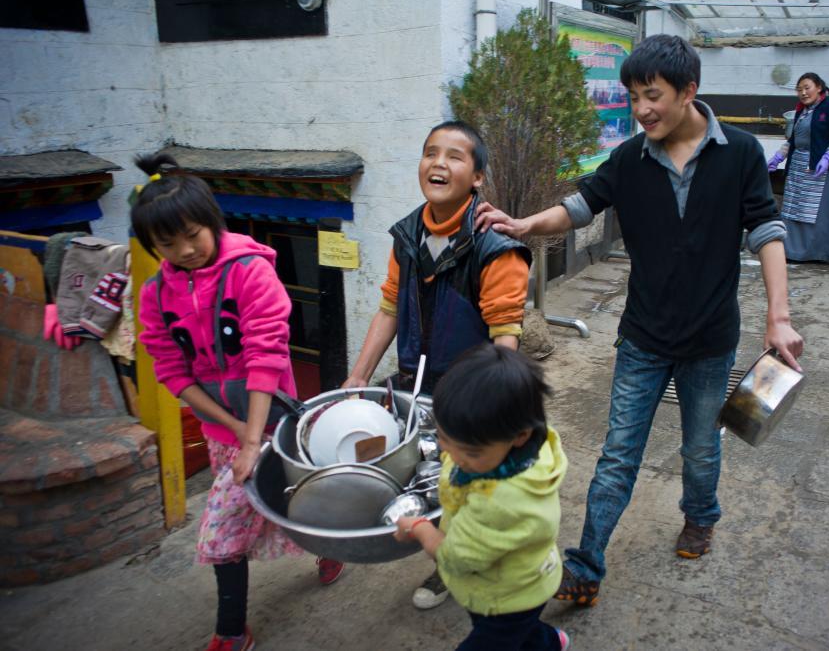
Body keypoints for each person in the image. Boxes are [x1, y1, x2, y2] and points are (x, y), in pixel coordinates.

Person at [475, 34, 804, 606]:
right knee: (618, 453)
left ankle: (700, 515)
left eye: (652, 95)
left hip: (710, 340)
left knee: (700, 447)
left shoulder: (741, 152)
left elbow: (767, 231)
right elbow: (580, 206)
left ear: (688, 91)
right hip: (643, 338)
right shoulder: (631, 159)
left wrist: (779, 317)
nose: (641, 109)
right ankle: (586, 565)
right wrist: (526, 225)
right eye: (633, 97)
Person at [131, 153, 344, 651]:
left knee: (227, 525)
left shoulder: (250, 272)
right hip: (221, 430)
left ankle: (232, 631)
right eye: (167, 244)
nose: (185, 251)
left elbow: (266, 356)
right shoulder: (155, 296)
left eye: (192, 235)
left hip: (271, 423)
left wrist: (251, 440)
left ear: (213, 221)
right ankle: (243, 621)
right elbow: (173, 373)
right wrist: (229, 428)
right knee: (270, 505)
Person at [342, 120, 532, 609]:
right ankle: (454, 557)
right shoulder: (407, 235)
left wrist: (495, 401)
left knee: (471, 487)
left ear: (477, 177)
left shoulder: (496, 246)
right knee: (430, 481)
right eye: (430, 153)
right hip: (416, 386)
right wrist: (358, 375)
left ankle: (469, 568)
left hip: (469, 392)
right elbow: (390, 308)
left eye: (454, 156)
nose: (438, 164)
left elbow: (505, 332)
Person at [394, 344, 569, 651]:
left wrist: (421, 529)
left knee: (498, 635)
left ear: (521, 435)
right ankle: (550, 643)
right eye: (443, 439)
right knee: (522, 634)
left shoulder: (500, 501)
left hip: (508, 597)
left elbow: (455, 558)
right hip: (525, 575)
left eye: (471, 452)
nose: (453, 456)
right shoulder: (524, 444)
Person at [767, 72, 829, 264]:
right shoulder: (801, 111)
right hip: (798, 164)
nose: (803, 93)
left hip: (818, 167)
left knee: (813, 211)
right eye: (799, 89)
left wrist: (828, 157)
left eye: (807, 88)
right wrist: (779, 156)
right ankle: (791, 250)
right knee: (793, 208)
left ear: (819, 87)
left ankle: (818, 252)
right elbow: (794, 139)